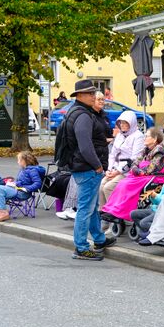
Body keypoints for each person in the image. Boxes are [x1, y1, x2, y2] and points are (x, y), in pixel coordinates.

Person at [61, 80, 117, 260]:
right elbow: (85, 146)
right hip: (87, 168)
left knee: (91, 207)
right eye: (90, 93)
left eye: (94, 93)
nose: (94, 96)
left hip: (81, 166)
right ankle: (81, 247)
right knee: (85, 209)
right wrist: (98, 165)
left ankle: (99, 239)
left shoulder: (75, 112)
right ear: (79, 96)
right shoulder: (83, 115)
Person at [100, 127, 164, 222]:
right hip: (144, 175)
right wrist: (137, 169)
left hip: (156, 177)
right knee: (122, 183)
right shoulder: (146, 149)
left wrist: (137, 169)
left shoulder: (159, 151)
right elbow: (135, 163)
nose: (144, 138)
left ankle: (120, 212)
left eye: (147, 136)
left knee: (127, 185)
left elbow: (150, 169)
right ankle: (113, 210)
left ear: (155, 138)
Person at [99, 110, 145, 230]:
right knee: (101, 186)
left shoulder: (138, 136)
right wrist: (109, 169)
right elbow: (112, 154)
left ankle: (115, 216)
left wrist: (118, 171)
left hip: (127, 170)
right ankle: (105, 216)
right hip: (115, 168)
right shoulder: (119, 135)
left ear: (132, 123)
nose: (123, 125)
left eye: (126, 123)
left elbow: (134, 159)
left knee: (108, 187)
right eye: (121, 123)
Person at [130, 163, 164, 244]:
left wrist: (155, 196)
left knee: (144, 222)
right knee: (133, 214)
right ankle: (149, 234)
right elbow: (158, 201)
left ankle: (155, 235)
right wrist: (152, 197)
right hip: (157, 209)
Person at [0, 151, 45, 222]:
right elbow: (22, 181)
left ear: (24, 161)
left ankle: (3, 213)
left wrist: (27, 188)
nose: (17, 162)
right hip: (17, 190)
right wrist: (14, 183)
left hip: (23, 193)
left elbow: (38, 183)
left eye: (19, 160)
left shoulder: (32, 170)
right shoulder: (23, 169)